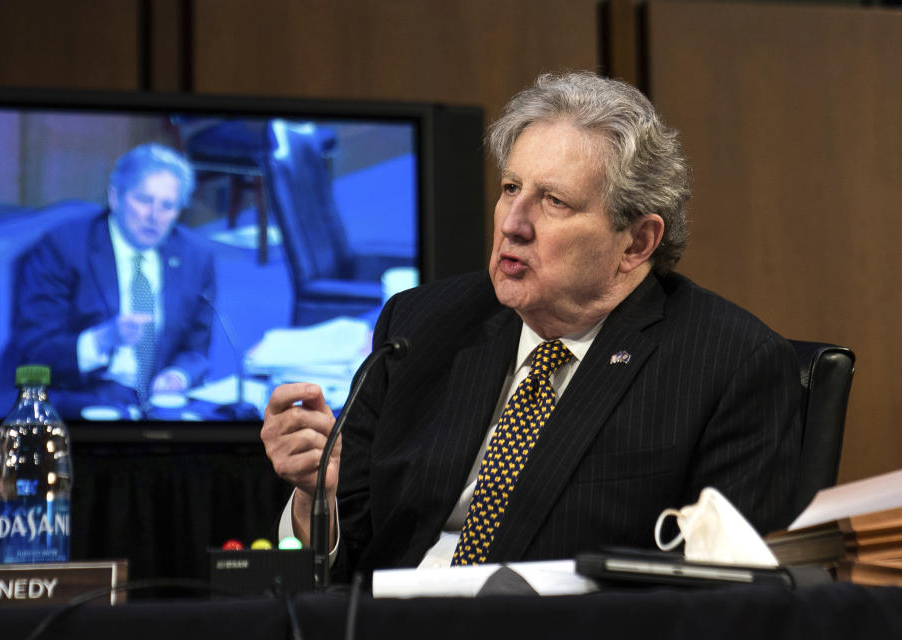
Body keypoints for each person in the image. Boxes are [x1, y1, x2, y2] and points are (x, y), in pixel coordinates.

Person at [261, 71, 801, 580]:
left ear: (636, 243)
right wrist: (316, 499)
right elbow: (338, 564)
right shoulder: (420, 326)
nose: (514, 224)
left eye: (554, 201)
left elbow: (732, 592)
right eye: (511, 188)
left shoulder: (730, 366)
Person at [11, 143, 216, 414]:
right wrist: (102, 339)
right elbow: (33, 349)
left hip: (158, 403)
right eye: (143, 200)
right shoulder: (64, 248)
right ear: (115, 197)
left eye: (167, 206)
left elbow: (196, 347)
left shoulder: (195, 256)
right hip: (83, 395)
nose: (154, 217)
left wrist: (178, 375)